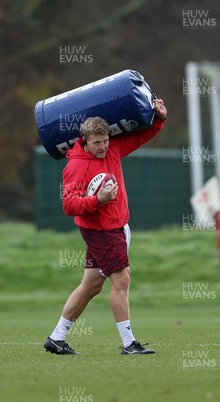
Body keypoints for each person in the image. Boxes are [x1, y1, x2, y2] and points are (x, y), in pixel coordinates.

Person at [44, 99, 167, 355]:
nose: (102, 147)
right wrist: (97, 200)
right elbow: (69, 205)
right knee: (121, 280)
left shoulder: (112, 149)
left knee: (91, 285)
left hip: (114, 226)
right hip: (102, 230)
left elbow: (140, 138)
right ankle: (129, 343)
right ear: (85, 141)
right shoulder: (76, 165)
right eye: (96, 143)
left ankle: (56, 338)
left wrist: (159, 119)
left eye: (105, 140)